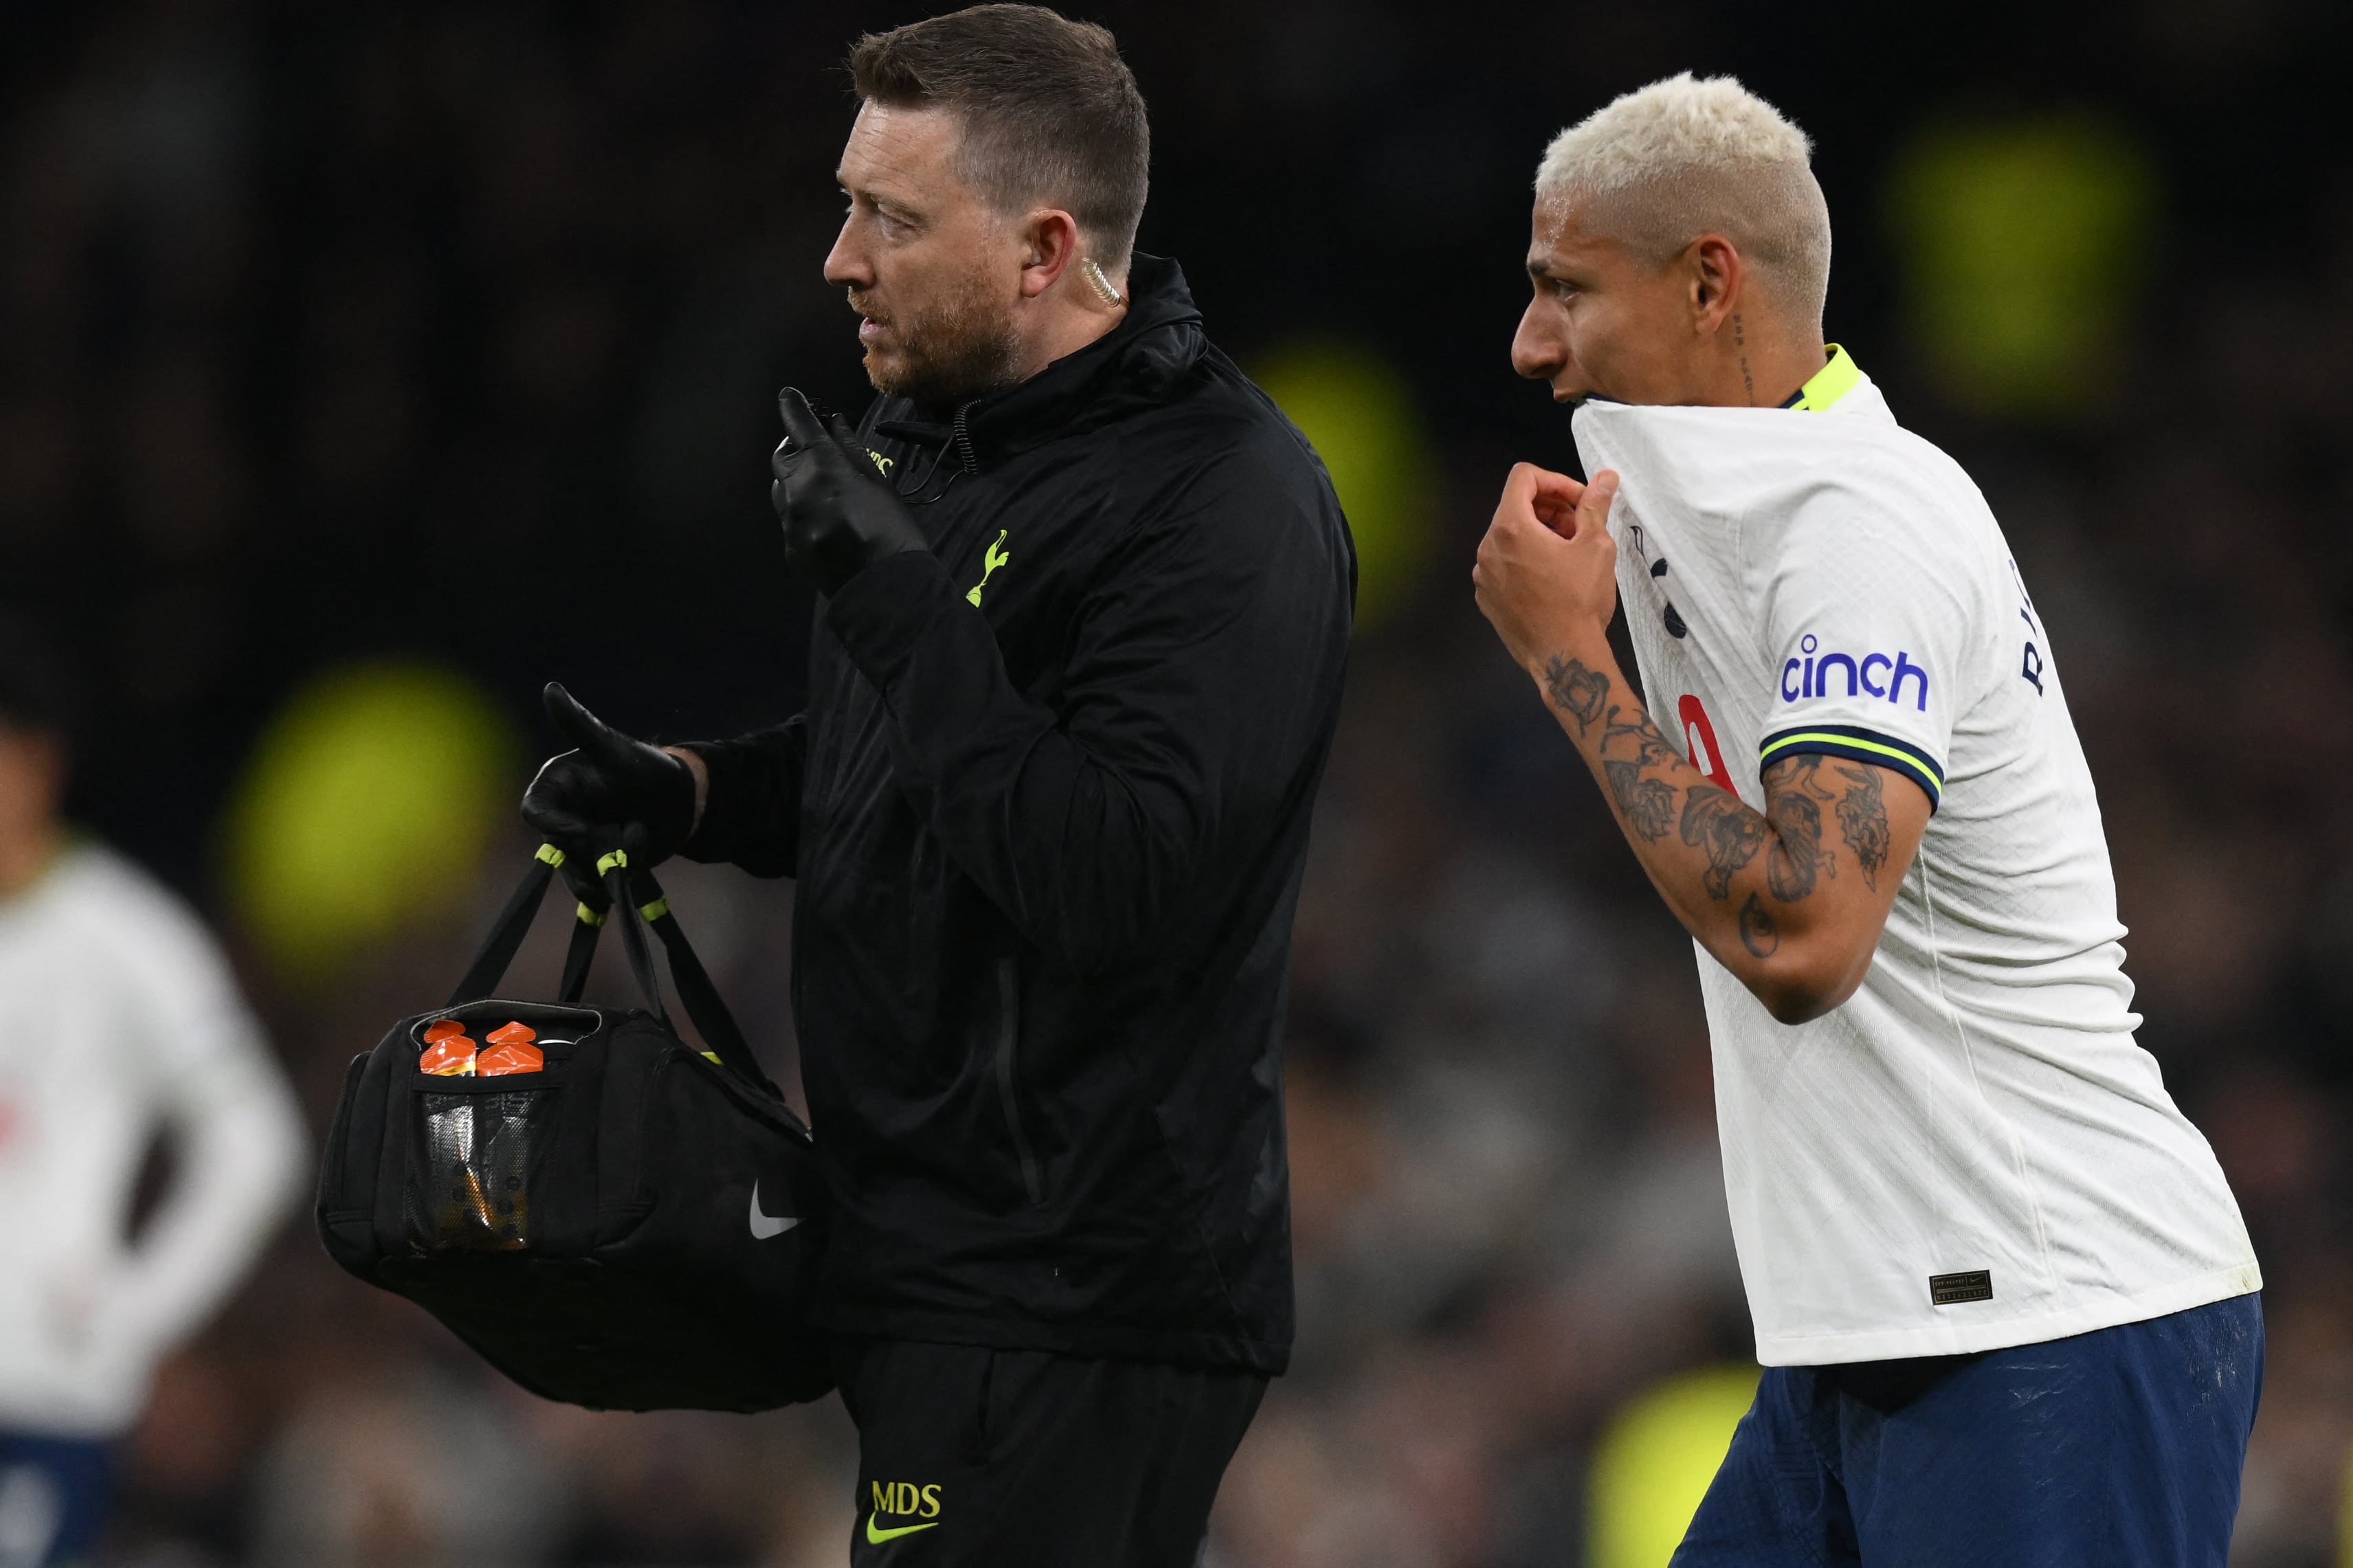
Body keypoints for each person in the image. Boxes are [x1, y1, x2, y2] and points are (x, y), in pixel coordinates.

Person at [521, 6, 1354, 1563]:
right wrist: (694, 793)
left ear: (1044, 251)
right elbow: (914, 768)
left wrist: (897, 599)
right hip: (939, 1271)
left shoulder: (1223, 501)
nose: (839, 259)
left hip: (1074, 1290)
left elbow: (1113, 876)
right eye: (849, 206)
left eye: (891, 219)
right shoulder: (939, 440)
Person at [1472, 75, 2261, 1565]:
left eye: (1566, 288)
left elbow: (1801, 931)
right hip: (1873, 1334)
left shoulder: (1857, 527)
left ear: (1710, 282)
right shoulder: (1741, 499)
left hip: (2051, 1315)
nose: (1530, 343)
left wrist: (1568, 660)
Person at [0, 620, 306, 1568]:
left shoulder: (129, 940)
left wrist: (131, 1311)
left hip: (37, 1387)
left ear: (39, 760)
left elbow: (257, 1144)